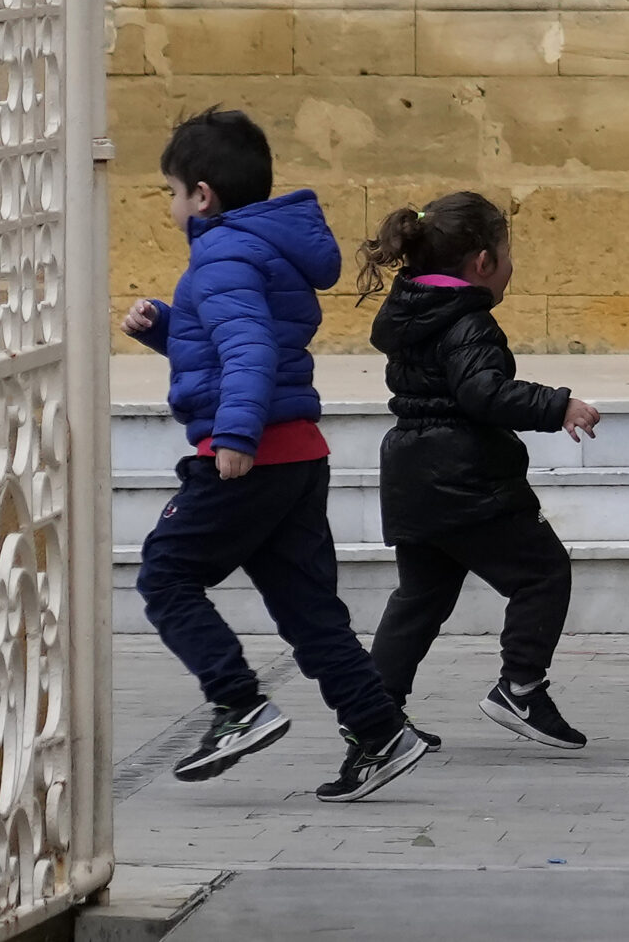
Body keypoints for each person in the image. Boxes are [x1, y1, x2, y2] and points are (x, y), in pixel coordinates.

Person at [125, 107, 428, 802]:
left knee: (166, 575)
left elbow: (250, 349)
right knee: (306, 607)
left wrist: (235, 438)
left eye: (172, 192)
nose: (171, 205)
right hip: (295, 451)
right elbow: (237, 342)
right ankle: (380, 730)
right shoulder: (262, 248)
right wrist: (166, 327)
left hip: (252, 453)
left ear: (203, 195)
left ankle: (238, 704)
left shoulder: (222, 255)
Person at [358, 192, 600, 750]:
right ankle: (521, 687)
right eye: (507, 254)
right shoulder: (468, 321)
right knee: (542, 573)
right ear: (483, 262)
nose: (512, 267)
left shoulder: (410, 313)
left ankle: (375, 715)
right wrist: (557, 405)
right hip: (464, 477)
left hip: (411, 474)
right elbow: (483, 392)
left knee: (419, 598)